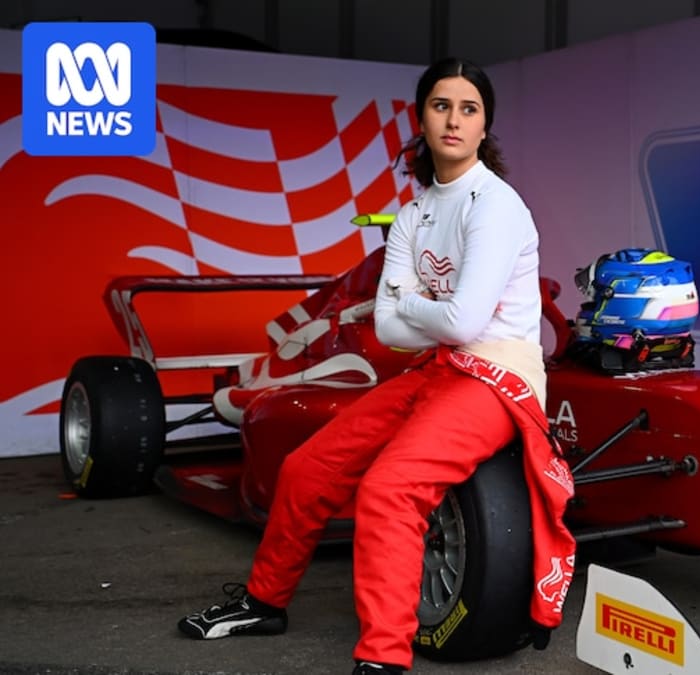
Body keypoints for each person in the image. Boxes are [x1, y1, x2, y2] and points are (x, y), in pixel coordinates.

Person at [177, 57, 576, 675]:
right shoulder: (414, 215)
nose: (454, 120)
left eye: (469, 109)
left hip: (497, 379)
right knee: (308, 468)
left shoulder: (495, 206)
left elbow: (462, 322)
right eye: (442, 105)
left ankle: (384, 660)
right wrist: (429, 313)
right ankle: (264, 602)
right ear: (421, 117)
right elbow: (387, 329)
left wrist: (414, 304)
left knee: (391, 488)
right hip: (435, 369)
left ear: (484, 125)